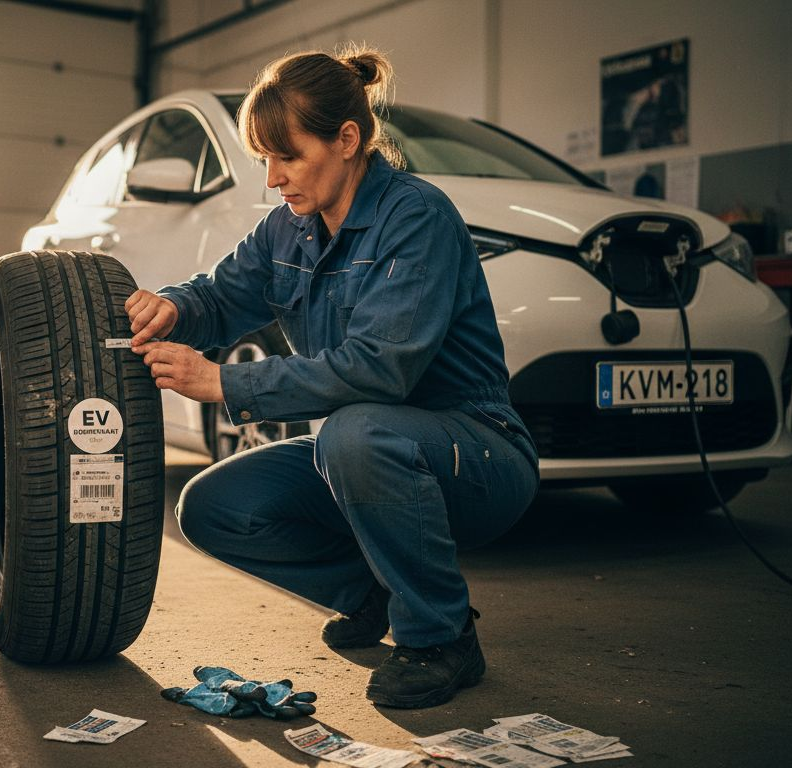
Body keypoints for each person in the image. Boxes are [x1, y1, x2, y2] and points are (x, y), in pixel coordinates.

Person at [124, 46, 539, 710]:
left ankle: (442, 638)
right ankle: (371, 589)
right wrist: (173, 304)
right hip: (368, 452)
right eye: (264, 158)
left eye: (286, 156)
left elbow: (381, 370)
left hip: (479, 458)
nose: (272, 178)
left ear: (347, 140)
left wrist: (224, 385)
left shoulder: (416, 218)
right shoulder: (287, 230)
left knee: (352, 433)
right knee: (211, 508)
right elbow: (222, 297)